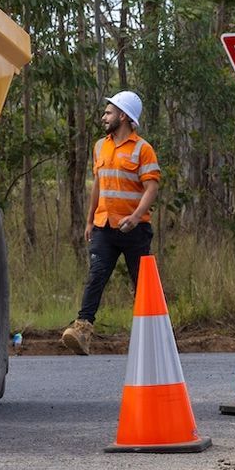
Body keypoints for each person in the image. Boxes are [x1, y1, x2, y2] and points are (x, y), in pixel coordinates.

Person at [62, 90, 162, 355]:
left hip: (135, 229)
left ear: (123, 116)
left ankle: (152, 336)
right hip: (104, 226)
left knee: (142, 282)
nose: (104, 117)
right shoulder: (100, 146)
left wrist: (136, 216)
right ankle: (82, 330)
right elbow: (98, 185)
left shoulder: (143, 149)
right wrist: (89, 220)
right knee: (96, 275)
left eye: (108, 112)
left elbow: (151, 188)